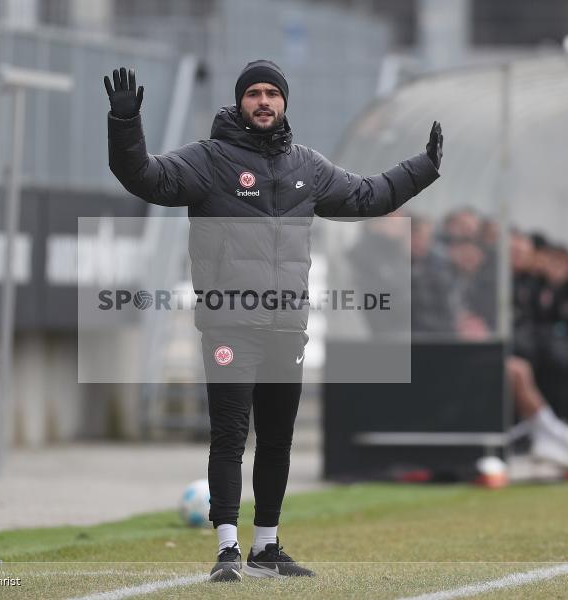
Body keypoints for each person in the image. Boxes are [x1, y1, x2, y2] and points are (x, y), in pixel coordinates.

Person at [105, 60, 442, 581]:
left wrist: (422, 167)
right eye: (254, 94)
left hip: (288, 327)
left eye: (272, 94)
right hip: (229, 326)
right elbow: (145, 177)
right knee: (229, 436)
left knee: (278, 440)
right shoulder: (209, 161)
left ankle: (267, 547)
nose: (264, 101)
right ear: (240, 102)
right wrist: (125, 126)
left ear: (284, 103)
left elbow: (368, 195)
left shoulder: (306, 165)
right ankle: (226, 551)